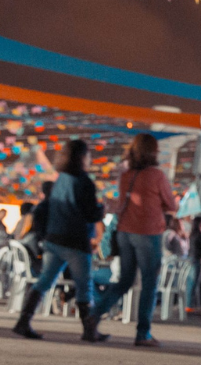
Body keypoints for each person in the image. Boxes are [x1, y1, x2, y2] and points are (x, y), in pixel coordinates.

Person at [86, 134, 176, 347]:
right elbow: (172, 204)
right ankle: (143, 333)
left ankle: (94, 315)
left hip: (125, 232)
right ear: (153, 152)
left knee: (125, 280)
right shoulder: (157, 176)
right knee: (149, 283)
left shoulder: (127, 175)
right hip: (147, 232)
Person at [12, 140, 104, 341]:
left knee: (45, 280)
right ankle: (89, 330)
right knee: (84, 285)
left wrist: (45, 234)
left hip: (54, 239)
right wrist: (100, 210)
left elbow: (45, 209)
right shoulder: (84, 182)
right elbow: (91, 214)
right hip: (76, 241)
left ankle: (23, 321)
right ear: (82, 157)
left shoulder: (60, 179)